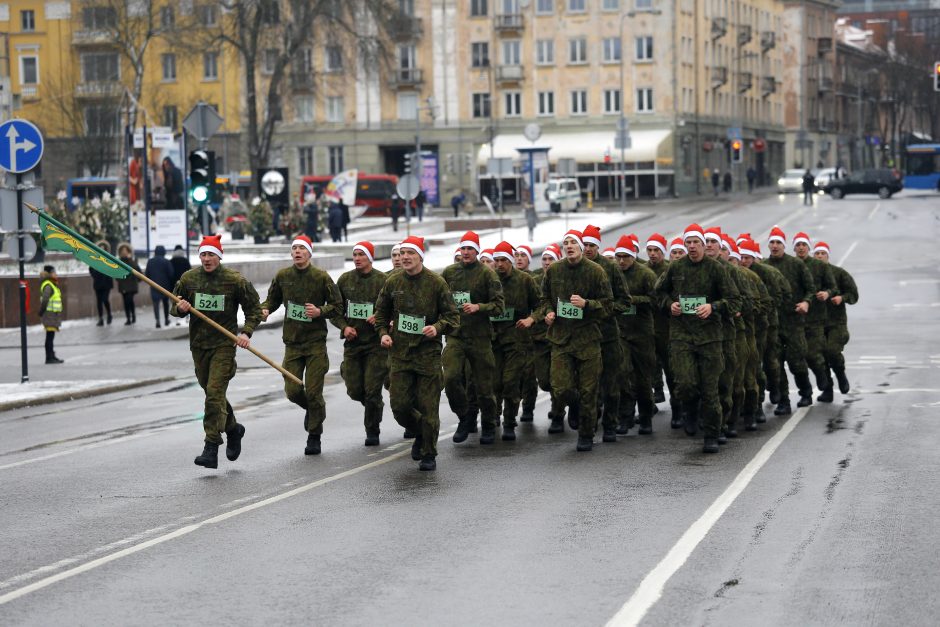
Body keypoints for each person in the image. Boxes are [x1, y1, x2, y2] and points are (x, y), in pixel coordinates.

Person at [172, 235, 262, 469]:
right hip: (199, 346)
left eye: (211, 254)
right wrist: (180, 308)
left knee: (214, 393)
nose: (207, 258)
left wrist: (246, 332)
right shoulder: (189, 279)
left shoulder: (234, 281)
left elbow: (254, 309)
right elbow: (175, 304)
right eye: (203, 254)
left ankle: (211, 446)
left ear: (219, 256)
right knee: (214, 395)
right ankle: (233, 429)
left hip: (224, 346)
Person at [374, 236, 460, 471]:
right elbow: (380, 313)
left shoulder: (436, 282)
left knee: (428, 405)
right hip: (400, 354)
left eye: (409, 253)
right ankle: (422, 431)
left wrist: (437, 328)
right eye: (401, 254)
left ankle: (429, 452)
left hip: (427, 356)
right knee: (400, 406)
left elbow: (453, 317)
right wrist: (383, 332)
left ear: (420, 256)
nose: (404, 258)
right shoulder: (393, 282)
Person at [654, 224, 739, 454]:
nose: (691, 247)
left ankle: (712, 434)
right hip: (682, 335)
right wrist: (668, 304)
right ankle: (689, 409)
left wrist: (713, 307)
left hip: (710, 337)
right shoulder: (676, 268)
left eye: (696, 243)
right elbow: (659, 292)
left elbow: (734, 300)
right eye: (688, 242)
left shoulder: (717, 269)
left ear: (703, 245)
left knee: (711, 390)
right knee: (685, 383)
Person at [261, 234, 343, 455]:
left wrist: (319, 311)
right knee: (293, 391)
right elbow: (272, 299)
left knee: (314, 391)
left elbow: (337, 306)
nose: (297, 252)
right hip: (293, 343)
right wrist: (266, 309)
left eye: (302, 249)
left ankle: (314, 436)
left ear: (309, 253)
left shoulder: (321, 277)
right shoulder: (283, 276)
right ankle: (315, 410)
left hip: (316, 343)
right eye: (294, 248)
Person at [538, 229, 613, 451]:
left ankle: (586, 434)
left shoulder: (596, 271)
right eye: (566, 243)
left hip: (587, 340)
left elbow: (608, 305)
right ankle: (574, 403)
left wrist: (587, 304)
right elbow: (544, 299)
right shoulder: (554, 271)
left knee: (589, 390)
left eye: (573, 243)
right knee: (560, 389)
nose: (569, 246)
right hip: (561, 339)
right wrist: (549, 312)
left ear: (581, 247)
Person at [443, 231, 505, 445]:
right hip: (456, 336)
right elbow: (439, 300)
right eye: (463, 248)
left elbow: (499, 306)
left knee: (484, 387)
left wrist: (479, 307)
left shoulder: (488, 274)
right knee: (450, 378)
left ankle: (488, 424)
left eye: (470, 248)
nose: (466, 252)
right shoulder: (450, 273)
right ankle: (464, 416)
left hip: (480, 337)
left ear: (477, 251)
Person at [331, 241, 389, 446]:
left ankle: (372, 430)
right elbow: (335, 309)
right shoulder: (345, 280)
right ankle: (374, 404)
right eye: (354, 254)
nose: (356, 258)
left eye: (361, 255)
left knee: (372, 390)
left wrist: (380, 316)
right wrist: (344, 327)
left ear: (370, 258)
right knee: (355, 390)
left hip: (376, 345)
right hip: (353, 343)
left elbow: (394, 308)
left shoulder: (383, 280)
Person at [581, 224, 631, 443]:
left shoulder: (610, 269)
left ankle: (610, 424)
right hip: (582, 337)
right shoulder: (573, 268)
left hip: (608, 336)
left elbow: (624, 301)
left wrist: (600, 309)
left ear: (598, 247)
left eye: (592, 245)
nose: (588, 249)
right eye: (585, 245)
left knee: (610, 385)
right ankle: (588, 427)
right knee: (587, 387)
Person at [490, 241, 541, 440]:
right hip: (493, 340)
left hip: (517, 341)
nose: (499, 264)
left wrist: (531, 319)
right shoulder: (489, 279)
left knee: (510, 382)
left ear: (511, 260)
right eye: (497, 260)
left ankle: (509, 422)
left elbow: (541, 304)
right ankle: (492, 419)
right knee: (494, 383)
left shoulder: (525, 280)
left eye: (504, 260)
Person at [764, 226, 817, 415]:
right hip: (772, 324)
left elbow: (810, 288)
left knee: (796, 361)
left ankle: (805, 392)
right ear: (768, 244)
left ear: (784, 245)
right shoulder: (763, 266)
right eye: (772, 242)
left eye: (779, 242)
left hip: (793, 321)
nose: (775, 245)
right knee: (775, 363)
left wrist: (806, 302)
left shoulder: (796, 265)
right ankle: (784, 401)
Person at [614, 235, 659, 436]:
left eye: (625, 256)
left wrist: (634, 300)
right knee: (623, 375)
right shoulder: (612, 274)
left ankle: (646, 418)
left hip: (642, 334)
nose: (621, 261)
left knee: (642, 379)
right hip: (621, 333)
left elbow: (657, 300)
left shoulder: (646, 274)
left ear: (633, 256)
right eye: (618, 257)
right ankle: (625, 417)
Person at [792, 231, 837, 400]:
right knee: (796, 359)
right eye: (798, 245)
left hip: (816, 318)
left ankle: (826, 383)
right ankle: (806, 393)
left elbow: (832, 287)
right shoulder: (790, 264)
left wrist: (827, 293)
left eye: (804, 245)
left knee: (814, 355)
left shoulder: (820, 266)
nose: (801, 248)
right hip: (794, 320)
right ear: (794, 248)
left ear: (808, 247)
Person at [813, 241, 858, 399]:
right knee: (819, 356)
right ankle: (828, 390)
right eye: (817, 253)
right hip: (816, 323)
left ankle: (840, 374)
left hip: (836, 323)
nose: (819, 256)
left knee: (831, 351)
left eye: (822, 253)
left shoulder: (839, 273)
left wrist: (841, 297)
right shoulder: (808, 273)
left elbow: (854, 295)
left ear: (827, 255)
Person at [39, 265, 64, 364]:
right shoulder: (48, 285)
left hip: (52, 314)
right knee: (49, 336)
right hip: (49, 314)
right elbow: (45, 299)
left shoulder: (52, 283)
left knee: (50, 336)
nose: (55, 274)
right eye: (54, 272)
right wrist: (41, 311)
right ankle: (49, 357)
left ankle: (51, 355)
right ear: (49, 273)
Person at [145, 245, 175, 328]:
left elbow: (147, 274)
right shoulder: (166, 261)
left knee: (156, 304)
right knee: (166, 303)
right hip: (165, 286)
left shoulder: (150, 261)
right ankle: (166, 319)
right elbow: (171, 274)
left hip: (154, 286)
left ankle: (157, 321)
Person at [90, 241, 114, 326]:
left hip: (106, 283)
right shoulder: (94, 258)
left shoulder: (109, 258)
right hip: (97, 283)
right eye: (100, 248)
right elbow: (91, 268)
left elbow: (112, 268)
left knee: (105, 299)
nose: (101, 250)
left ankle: (109, 314)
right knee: (99, 302)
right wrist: (94, 275)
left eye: (103, 249)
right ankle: (100, 319)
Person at [116, 243, 141, 325]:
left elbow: (137, 270)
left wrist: (130, 259)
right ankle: (128, 318)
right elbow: (116, 273)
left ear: (129, 251)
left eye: (125, 250)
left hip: (132, 285)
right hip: (123, 285)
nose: (124, 252)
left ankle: (132, 315)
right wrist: (119, 279)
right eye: (122, 251)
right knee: (126, 302)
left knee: (129, 300)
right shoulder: (118, 261)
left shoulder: (133, 260)